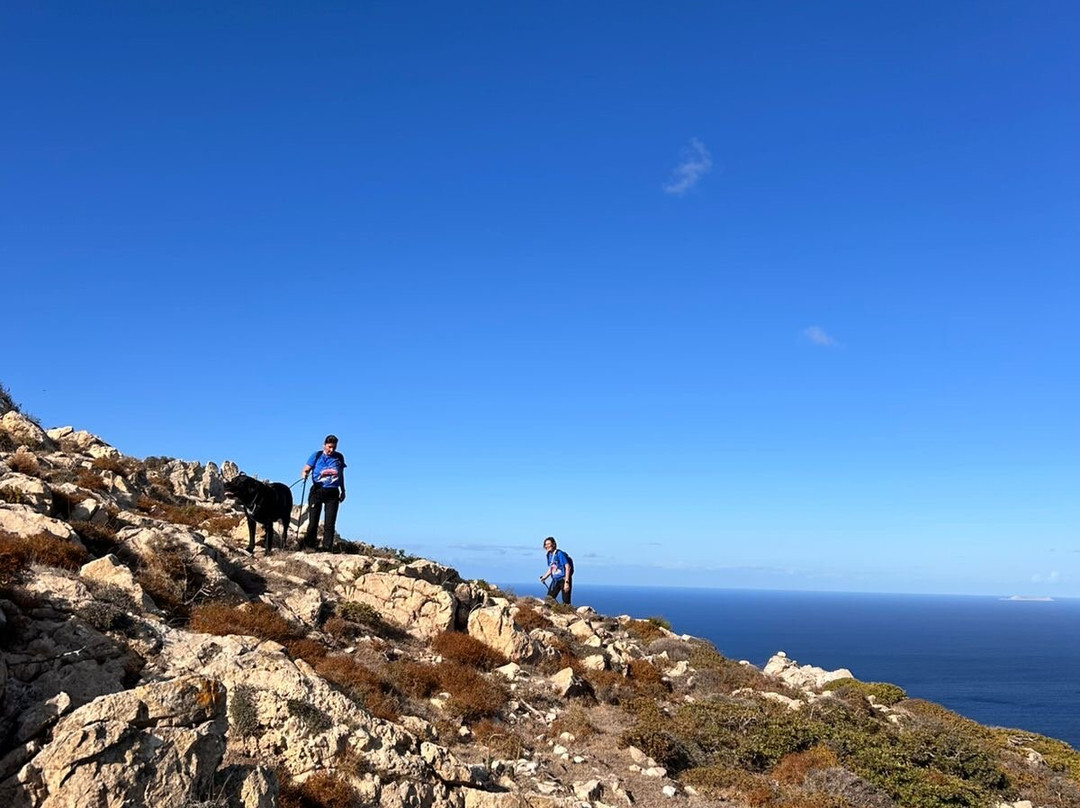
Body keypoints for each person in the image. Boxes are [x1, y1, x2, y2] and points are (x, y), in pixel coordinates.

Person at [300, 434, 346, 551]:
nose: (331, 450)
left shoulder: (339, 457)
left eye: (334, 447)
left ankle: (326, 548)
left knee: (330, 523)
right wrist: (305, 474)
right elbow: (305, 469)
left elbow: (340, 475)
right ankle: (310, 546)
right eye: (329, 447)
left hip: (333, 493)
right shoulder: (316, 456)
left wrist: (343, 490)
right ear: (324, 445)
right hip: (317, 490)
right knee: (313, 521)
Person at [539, 536, 573, 605]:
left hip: (564, 578)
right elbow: (551, 568)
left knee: (566, 602)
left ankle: (567, 614)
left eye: (549, 544)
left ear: (553, 544)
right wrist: (544, 577)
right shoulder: (549, 555)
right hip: (555, 580)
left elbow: (567, 567)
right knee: (549, 599)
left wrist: (567, 582)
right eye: (546, 544)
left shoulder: (559, 553)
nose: (547, 546)